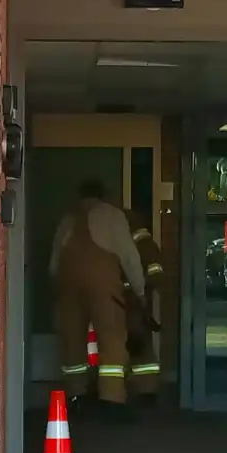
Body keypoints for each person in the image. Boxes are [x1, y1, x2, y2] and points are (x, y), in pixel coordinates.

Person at [49, 180, 146, 421]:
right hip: (103, 285)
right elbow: (129, 255)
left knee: (72, 341)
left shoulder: (68, 219)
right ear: (103, 195)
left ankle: (75, 397)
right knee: (112, 339)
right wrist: (139, 290)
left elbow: (54, 264)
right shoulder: (112, 215)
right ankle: (112, 400)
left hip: (67, 285)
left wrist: (59, 290)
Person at [121, 208, 163, 409]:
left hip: (132, 300)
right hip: (133, 298)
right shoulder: (140, 239)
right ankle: (145, 390)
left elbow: (154, 271)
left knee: (137, 344)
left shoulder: (137, 239)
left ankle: (142, 390)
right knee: (138, 345)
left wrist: (141, 291)